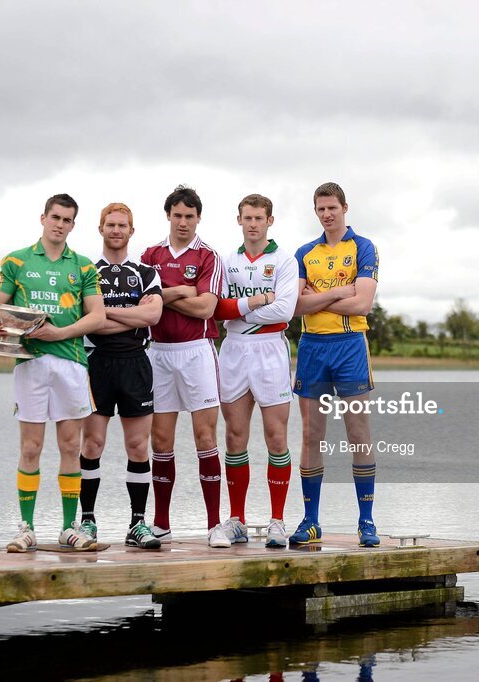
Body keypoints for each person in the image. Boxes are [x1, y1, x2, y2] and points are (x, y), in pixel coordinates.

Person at [0, 193, 105, 552]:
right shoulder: (17, 261)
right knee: (31, 447)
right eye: (55, 217)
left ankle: (68, 528)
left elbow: (98, 316)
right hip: (30, 364)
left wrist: (60, 333)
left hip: (71, 362)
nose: (59, 224)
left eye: (67, 220)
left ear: (73, 225)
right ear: (43, 218)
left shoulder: (82, 266)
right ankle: (26, 528)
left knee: (69, 446)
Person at [140, 185, 230, 547]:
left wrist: (164, 295)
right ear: (168, 216)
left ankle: (214, 525)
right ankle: (161, 523)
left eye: (189, 216)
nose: (183, 222)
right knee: (160, 440)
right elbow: (146, 304)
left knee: (205, 438)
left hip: (197, 351)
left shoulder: (209, 256)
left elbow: (207, 308)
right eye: (177, 215)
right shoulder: (150, 255)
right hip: (158, 351)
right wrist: (182, 291)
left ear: (198, 218)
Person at [291, 182, 380, 547]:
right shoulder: (303, 253)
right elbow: (294, 306)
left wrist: (317, 299)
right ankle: (311, 521)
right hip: (312, 347)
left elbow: (362, 306)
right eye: (320, 209)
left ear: (345, 207)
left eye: (332, 207)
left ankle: (367, 521)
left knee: (358, 434)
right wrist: (337, 293)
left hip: (349, 347)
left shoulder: (363, 247)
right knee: (312, 436)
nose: (327, 214)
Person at [211, 194, 299, 547]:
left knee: (276, 437)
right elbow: (217, 309)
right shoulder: (226, 261)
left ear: (269, 221)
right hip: (233, 350)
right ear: (239, 220)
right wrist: (258, 301)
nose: (252, 224)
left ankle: (277, 521)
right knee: (234, 436)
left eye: (259, 218)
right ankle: (237, 520)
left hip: (270, 351)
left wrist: (241, 310)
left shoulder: (285, 261)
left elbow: (285, 311)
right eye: (246, 217)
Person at [78, 203, 164, 549]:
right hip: (97, 362)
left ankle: (137, 523)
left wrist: (104, 311)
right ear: (101, 229)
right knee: (92, 444)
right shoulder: (87, 271)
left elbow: (153, 316)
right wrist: (132, 313)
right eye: (110, 224)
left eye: (122, 225)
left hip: (135, 362)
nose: (116, 230)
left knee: (137, 446)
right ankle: (87, 522)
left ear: (131, 230)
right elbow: (91, 320)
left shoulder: (146, 272)